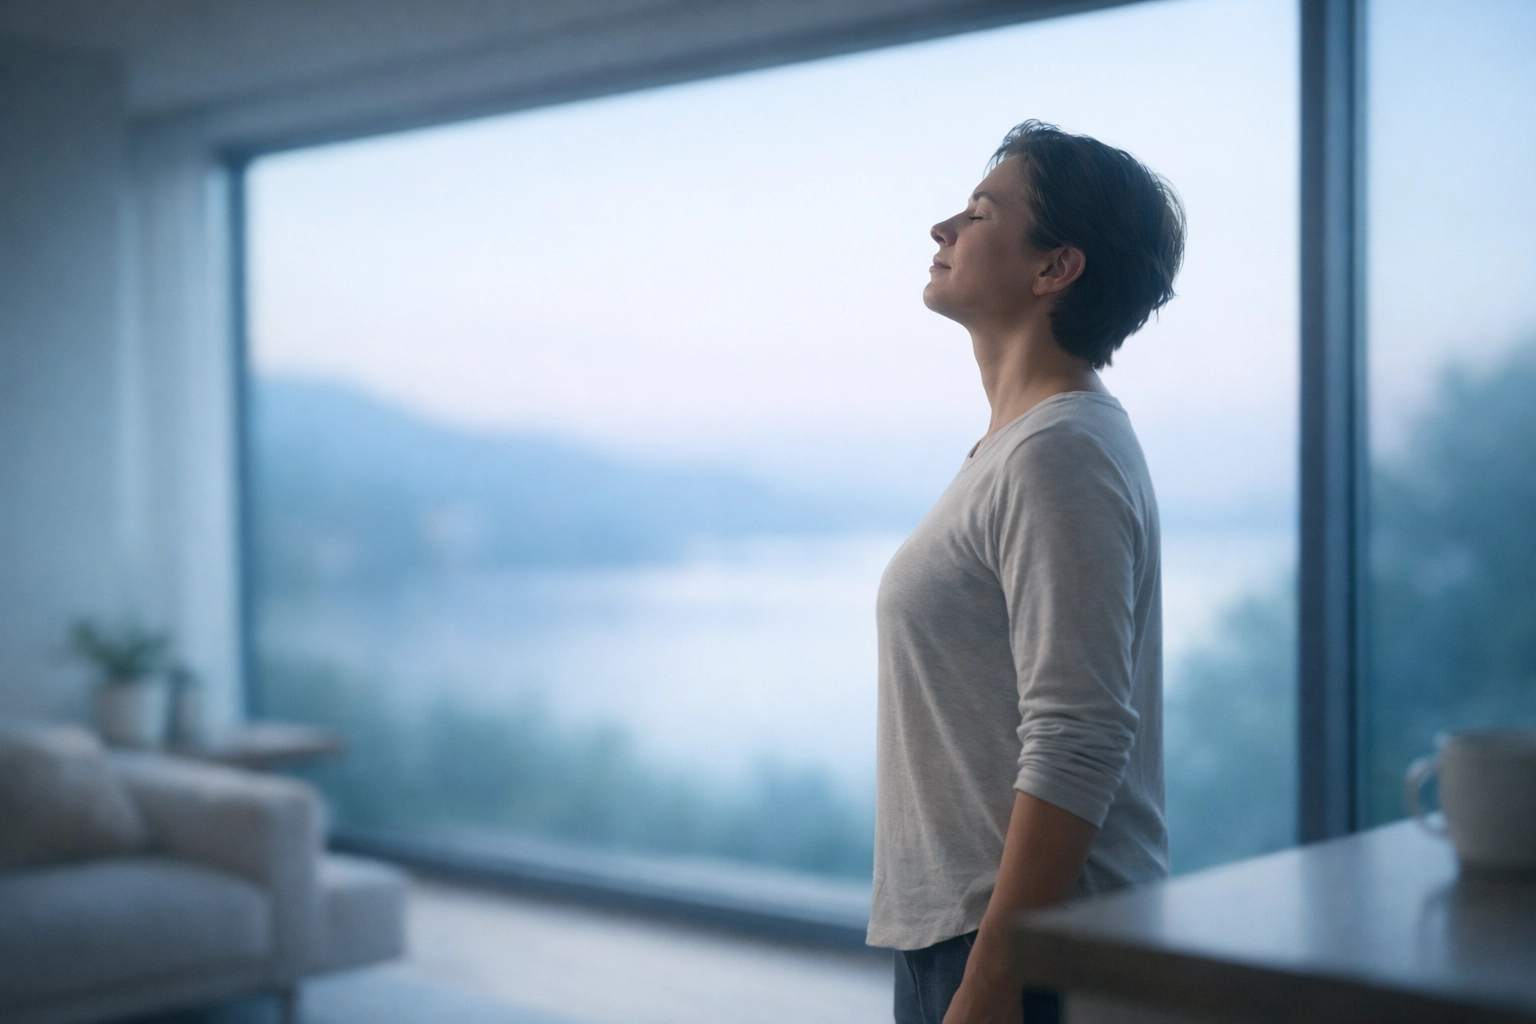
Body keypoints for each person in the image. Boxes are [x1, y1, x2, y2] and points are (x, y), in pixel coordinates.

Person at [868, 120, 1185, 1024]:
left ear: (1055, 267)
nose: (943, 228)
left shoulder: (1061, 451)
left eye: (978, 212)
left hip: (1028, 954)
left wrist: (992, 980)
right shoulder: (1019, 448)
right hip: (978, 941)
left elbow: (1079, 735)